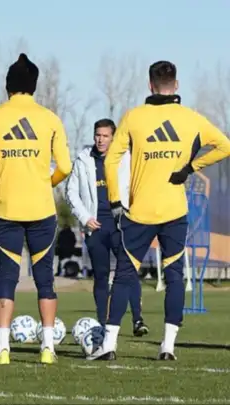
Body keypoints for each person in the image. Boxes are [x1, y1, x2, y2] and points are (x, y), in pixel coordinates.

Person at [88, 61, 230, 361]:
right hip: (174, 211)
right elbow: (224, 146)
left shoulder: (134, 116)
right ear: (176, 85)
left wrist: (114, 201)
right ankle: (168, 347)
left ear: (150, 85)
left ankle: (109, 345)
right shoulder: (191, 118)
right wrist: (189, 168)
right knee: (174, 275)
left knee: (124, 276)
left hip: (139, 212)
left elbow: (111, 160)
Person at [0, 53, 72, 365]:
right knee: (45, 278)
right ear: (34, 86)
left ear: (7, 86)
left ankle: (2, 350)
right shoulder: (50, 118)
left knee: (6, 278)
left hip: (7, 210)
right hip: (42, 210)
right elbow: (65, 167)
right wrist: (46, 182)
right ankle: (48, 349)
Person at [66, 118, 148, 335]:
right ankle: (103, 323)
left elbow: (137, 186)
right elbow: (71, 193)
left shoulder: (126, 158)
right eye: (98, 135)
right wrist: (85, 218)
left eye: (105, 136)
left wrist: (133, 214)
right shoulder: (83, 159)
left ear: (113, 137)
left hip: (121, 225)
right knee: (101, 275)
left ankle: (138, 320)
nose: (100, 140)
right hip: (96, 227)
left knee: (128, 271)